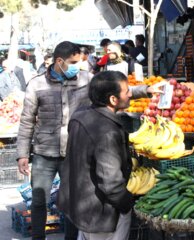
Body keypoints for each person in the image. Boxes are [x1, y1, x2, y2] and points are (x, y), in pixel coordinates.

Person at [16, 40, 159, 240]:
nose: (77, 66)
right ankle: (38, 237)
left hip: (73, 151)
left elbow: (113, 90)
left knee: (72, 199)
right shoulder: (37, 84)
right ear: (59, 61)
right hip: (45, 152)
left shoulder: (86, 78)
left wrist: (145, 90)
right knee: (39, 199)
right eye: (73, 62)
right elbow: (27, 121)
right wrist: (22, 153)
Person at [58, 71, 135, 240]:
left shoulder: (80, 114)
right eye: (127, 91)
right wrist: (128, 203)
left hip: (81, 205)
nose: (131, 94)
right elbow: (111, 182)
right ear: (113, 100)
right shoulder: (106, 132)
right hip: (101, 213)